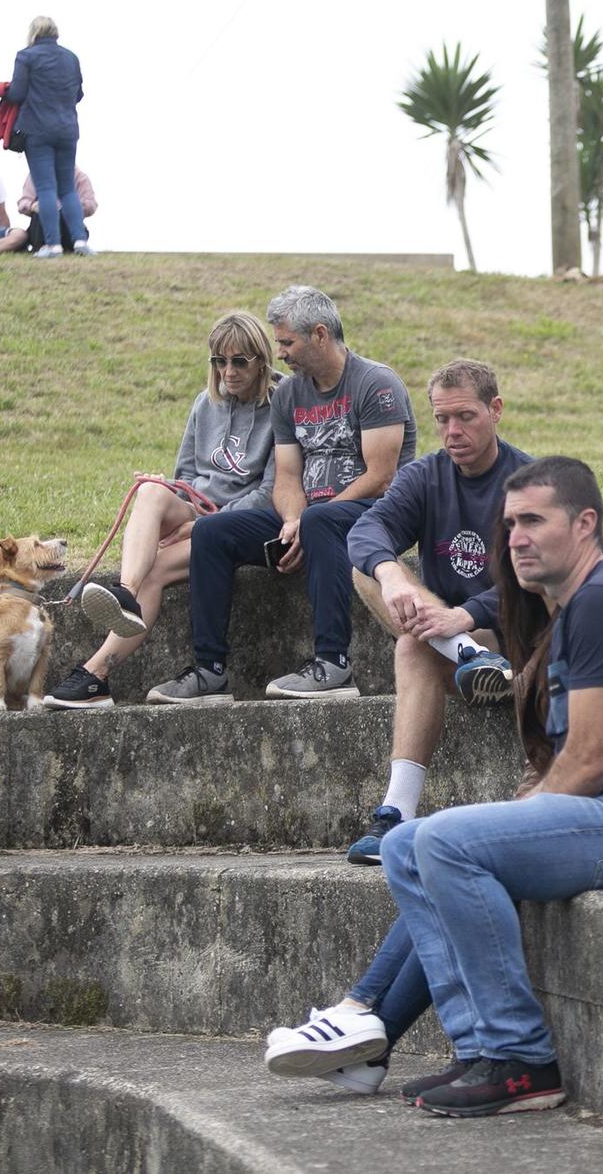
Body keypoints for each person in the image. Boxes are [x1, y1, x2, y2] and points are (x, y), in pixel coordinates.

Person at [263, 457, 603, 1117]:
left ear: (586, 523)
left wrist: (510, 818)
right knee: (405, 845)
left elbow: (586, 762)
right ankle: (480, 1050)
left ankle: (524, 1059)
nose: (517, 537)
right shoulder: (568, 610)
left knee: (444, 841)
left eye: (534, 520)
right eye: (509, 524)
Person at [148, 285, 416, 703]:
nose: (282, 353)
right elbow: (288, 477)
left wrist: (309, 522)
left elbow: (382, 477)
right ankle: (209, 672)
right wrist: (293, 521)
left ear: (320, 335)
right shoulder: (289, 394)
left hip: (373, 514)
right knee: (212, 532)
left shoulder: (375, 384)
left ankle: (333, 665)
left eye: (287, 342)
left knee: (321, 519)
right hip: (308, 518)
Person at [342, 359, 531, 864]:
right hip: (455, 645)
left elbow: (537, 579)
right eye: (441, 419)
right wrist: (390, 573)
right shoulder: (425, 475)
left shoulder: (529, 481)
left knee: (412, 642)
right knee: (368, 569)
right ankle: (395, 816)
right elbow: (365, 532)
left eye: (465, 417)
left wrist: (467, 616)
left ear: (495, 411)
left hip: (514, 643)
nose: (452, 431)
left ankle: (395, 812)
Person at [43, 312, 281, 709]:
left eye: (239, 361)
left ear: (261, 360)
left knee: (160, 566)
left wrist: (203, 522)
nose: (228, 371)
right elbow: (185, 474)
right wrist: (170, 490)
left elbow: (271, 492)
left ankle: (95, 675)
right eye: (219, 361)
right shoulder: (205, 405)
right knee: (152, 490)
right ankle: (126, 594)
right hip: (197, 512)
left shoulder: (280, 405)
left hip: (235, 524)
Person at [7, 16, 91, 258]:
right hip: (67, 129)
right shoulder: (71, 57)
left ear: (33, 32)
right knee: (68, 188)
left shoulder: (26, 56)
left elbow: (17, 93)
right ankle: (80, 242)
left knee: (45, 187)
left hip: (38, 129)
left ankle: (52, 244)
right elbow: (79, 94)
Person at [18, 166, 96, 254]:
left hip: (68, 228)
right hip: (41, 227)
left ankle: (74, 244)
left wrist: (72, 207)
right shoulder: (35, 175)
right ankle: (42, 246)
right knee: (42, 207)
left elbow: (91, 206)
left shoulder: (80, 177)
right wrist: (32, 206)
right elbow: (23, 203)